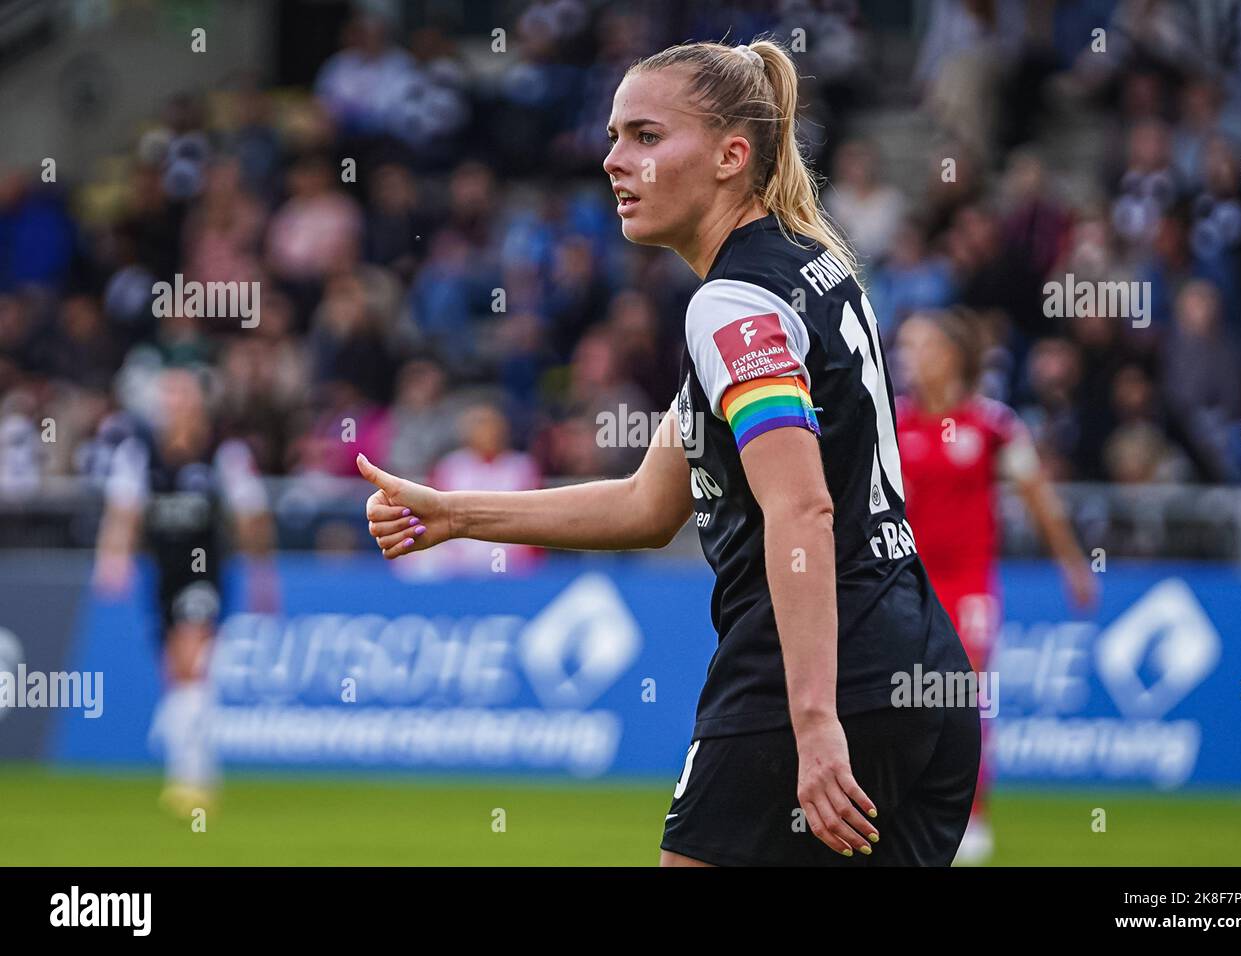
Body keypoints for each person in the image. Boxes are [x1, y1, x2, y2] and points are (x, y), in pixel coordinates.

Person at [357, 38, 980, 866]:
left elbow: (803, 507)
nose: (614, 161)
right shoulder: (813, 270)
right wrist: (456, 512)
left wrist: (813, 720)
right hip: (922, 668)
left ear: (732, 156)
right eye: (614, 136)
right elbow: (649, 506)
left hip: (813, 673)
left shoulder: (730, 304)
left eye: (646, 137)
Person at [895, 310, 1098, 863]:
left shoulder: (993, 425)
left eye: (925, 347)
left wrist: (1074, 567)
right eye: (908, 348)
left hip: (967, 587)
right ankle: (907, 810)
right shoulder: (893, 423)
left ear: (955, 356)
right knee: (903, 701)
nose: (912, 359)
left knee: (962, 701)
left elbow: (1039, 500)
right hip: (905, 585)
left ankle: (972, 815)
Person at [93, 368, 277, 818]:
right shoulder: (140, 454)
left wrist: (261, 572)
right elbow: (124, 513)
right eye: (168, 397)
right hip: (163, 575)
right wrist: (112, 559)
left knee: (191, 658)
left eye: (183, 396)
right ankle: (195, 769)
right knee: (174, 674)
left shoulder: (224, 453)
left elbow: (251, 516)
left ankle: (190, 780)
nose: (175, 405)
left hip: (206, 573)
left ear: (199, 403)